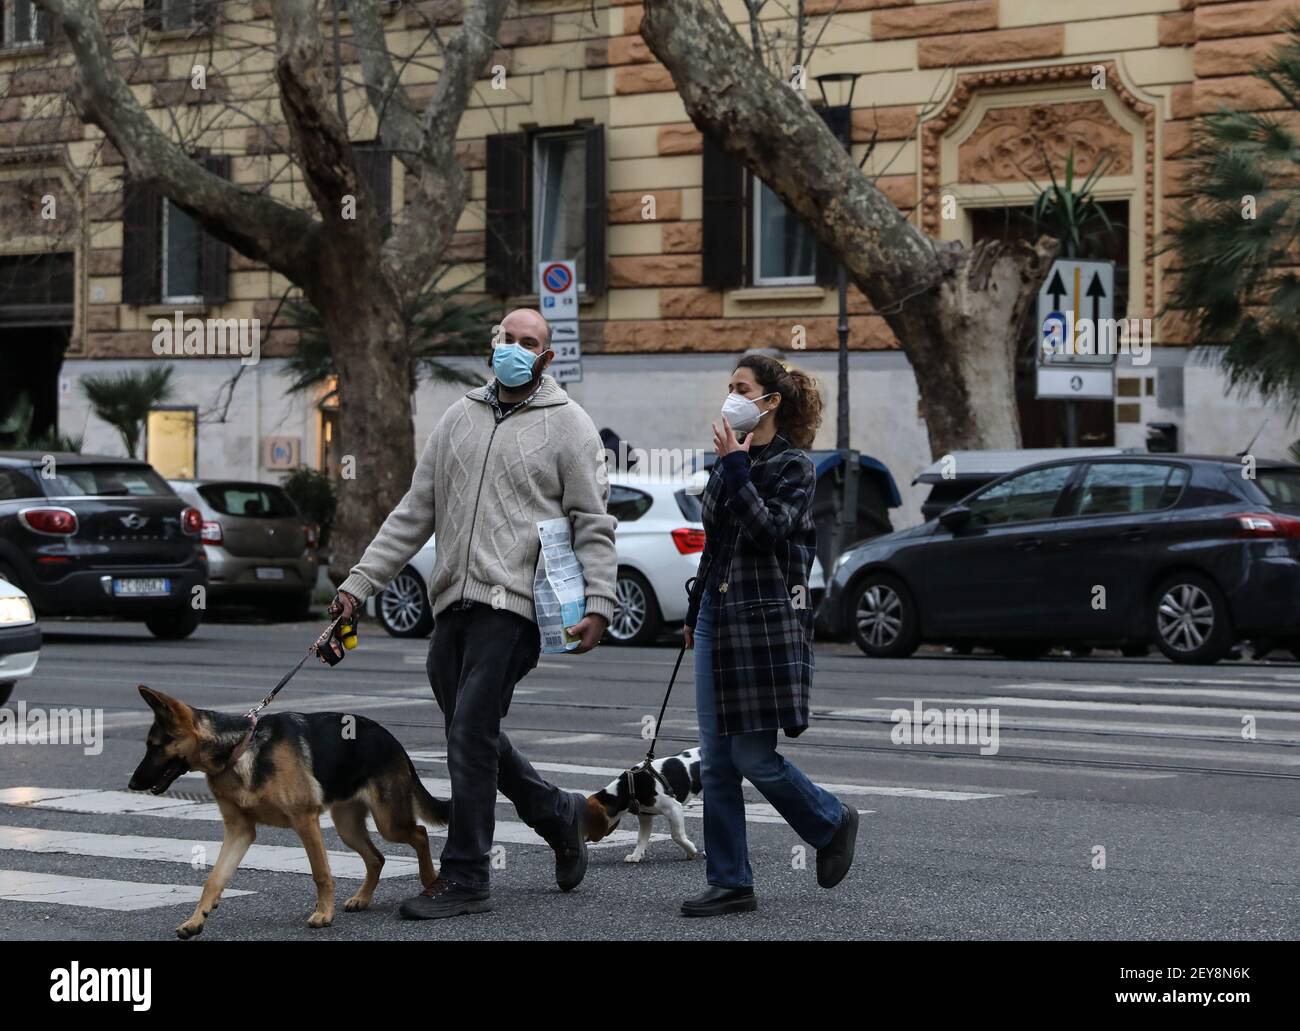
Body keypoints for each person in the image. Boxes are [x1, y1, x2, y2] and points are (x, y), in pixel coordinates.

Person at [329, 308, 617, 920]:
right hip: (450, 605)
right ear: (494, 343)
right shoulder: (458, 416)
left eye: (528, 343)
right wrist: (360, 583)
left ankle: (466, 876)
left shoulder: (570, 425)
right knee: (473, 735)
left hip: (514, 609)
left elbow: (593, 521)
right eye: (507, 338)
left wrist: (599, 602)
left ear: (546, 357)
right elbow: (416, 509)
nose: (515, 348)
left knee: (469, 734)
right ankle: (559, 813)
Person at [681, 354, 858, 917]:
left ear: (771, 401)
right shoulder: (728, 461)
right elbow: (716, 542)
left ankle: (831, 820)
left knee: (753, 757)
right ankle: (730, 881)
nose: (731, 397)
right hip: (716, 615)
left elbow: (767, 530)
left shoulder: (793, 466)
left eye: (742, 388)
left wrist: (736, 467)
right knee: (715, 760)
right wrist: (693, 611)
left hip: (762, 623)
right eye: (729, 386)